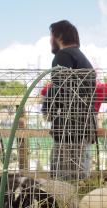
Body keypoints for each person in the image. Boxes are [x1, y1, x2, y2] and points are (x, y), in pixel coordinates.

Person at [41, 20, 97, 180]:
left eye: (51, 35)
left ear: (58, 36)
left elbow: (60, 87)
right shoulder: (81, 58)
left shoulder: (63, 56)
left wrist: (47, 110)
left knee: (63, 179)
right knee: (80, 176)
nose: (50, 40)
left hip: (68, 128)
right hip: (84, 127)